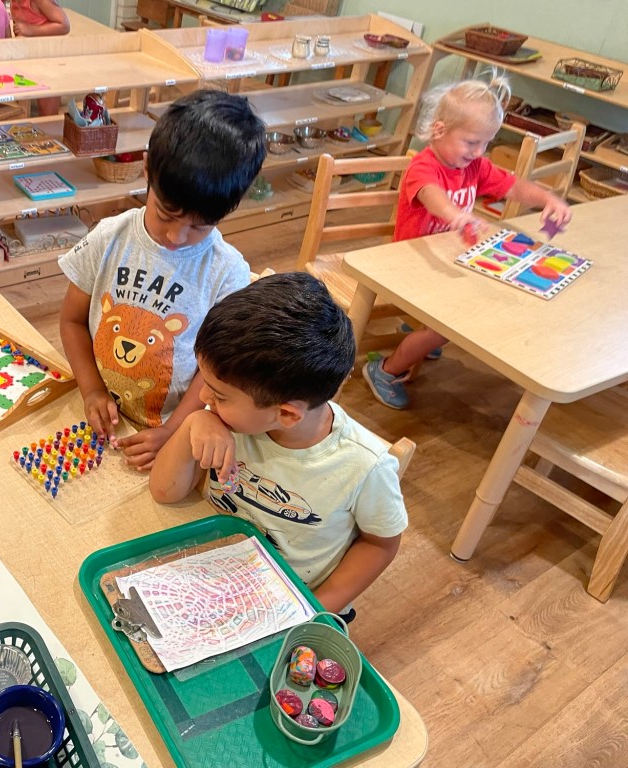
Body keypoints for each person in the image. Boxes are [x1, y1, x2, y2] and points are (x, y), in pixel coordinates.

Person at [150, 273, 407, 615]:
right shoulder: (228, 417)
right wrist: (194, 423)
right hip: (213, 575)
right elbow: (164, 492)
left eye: (219, 395)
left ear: (286, 414)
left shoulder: (366, 467)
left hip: (290, 602)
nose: (203, 397)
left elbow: (380, 544)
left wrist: (314, 610)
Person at [58, 89, 266, 470]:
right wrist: (91, 390)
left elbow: (215, 372)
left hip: (178, 430)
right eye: (165, 214)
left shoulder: (227, 273)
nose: (176, 236)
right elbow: (72, 321)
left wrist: (173, 430)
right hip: (101, 412)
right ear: (147, 169)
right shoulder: (109, 237)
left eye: (199, 227)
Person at [364, 74, 574, 409]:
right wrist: (456, 216)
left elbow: (513, 186)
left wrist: (549, 199)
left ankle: (418, 329)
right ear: (439, 130)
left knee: (483, 300)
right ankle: (385, 370)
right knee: (453, 325)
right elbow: (432, 195)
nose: (478, 152)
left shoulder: (474, 165)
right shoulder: (423, 166)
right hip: (409, 264)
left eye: (485, 143)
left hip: (446, 261)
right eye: (471, 142)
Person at [9, 0, 69, 115]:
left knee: (47, 115)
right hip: (28, 57)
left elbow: (64, 25)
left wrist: (31, 29)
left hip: (46, 60)